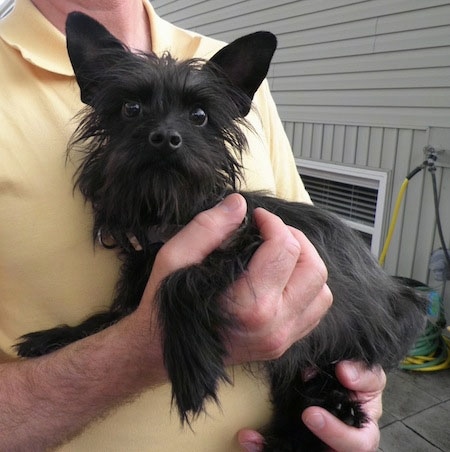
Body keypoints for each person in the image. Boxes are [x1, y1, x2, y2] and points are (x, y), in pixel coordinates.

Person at [0, 0, 385, 450]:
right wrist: (143, 347)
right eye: (131, 110)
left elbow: (323, 277)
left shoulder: (222, 61)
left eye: (198, 117)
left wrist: (358, 393)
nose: (166, 133)